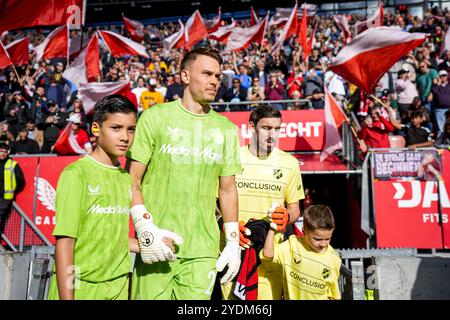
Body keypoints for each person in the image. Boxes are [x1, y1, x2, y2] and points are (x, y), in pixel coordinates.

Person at [126, 47, 242, 300]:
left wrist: (233, 242)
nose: (214, 81)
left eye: (218, 76)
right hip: (159, 244)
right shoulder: (154, 117)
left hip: (203, 250)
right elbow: (132, 179)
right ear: (185, 76)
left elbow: (228, 189)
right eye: (207, 73)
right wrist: (145, 229)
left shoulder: (227, 129)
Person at [47, 94, 139, 300]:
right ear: (96, 129)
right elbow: (65, 244)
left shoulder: (125, 178)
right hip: (81, 287)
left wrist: (153, 244)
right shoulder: (75, 175)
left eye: (131, 129)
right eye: (116, 128)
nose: (125, 136)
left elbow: (116, 239)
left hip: (118, 287)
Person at [221, 105, 305, 300]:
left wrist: (287, 217)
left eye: (277, 129)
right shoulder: (232, 158)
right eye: (267, 128)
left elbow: (294, 209)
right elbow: (216, 201)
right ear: (252, 126)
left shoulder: (290, 163)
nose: (272, 135)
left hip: (269, 255)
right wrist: (226, 226)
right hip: (234, 250)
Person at [262, 204, 341, 300]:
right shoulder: (293, 245)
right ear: (304, 232)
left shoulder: (334, 259)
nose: (323, 244)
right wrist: (273, 228)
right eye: (317, 239)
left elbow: (333, 295)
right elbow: (268, 254)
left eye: (328, 238)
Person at [0, 143, 25, 240]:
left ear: (8, 153)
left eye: (5, 152)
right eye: (1, 151)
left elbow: (21, 181)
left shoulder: (12, 164)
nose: (3, 154)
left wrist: (13, 191)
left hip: (4, 197)